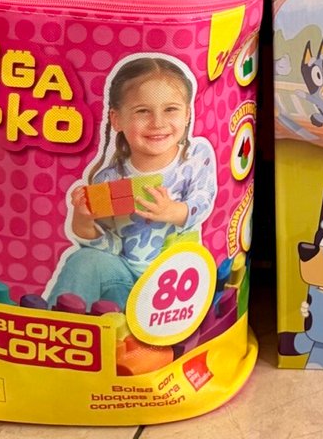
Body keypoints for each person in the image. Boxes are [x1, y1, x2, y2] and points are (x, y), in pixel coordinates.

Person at [51, 56, 217, 308]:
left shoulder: (195, 156)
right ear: (117, 119)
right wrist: (83, 221)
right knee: (84, 260)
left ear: (187, 114)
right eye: (142, 111)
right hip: (125, 280)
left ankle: (123, 317)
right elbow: (108, 246)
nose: (158, 123)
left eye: (170, 109)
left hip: (176, 280)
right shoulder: (109, 178)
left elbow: (204, 200)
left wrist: (174, 211)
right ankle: (59, 317)